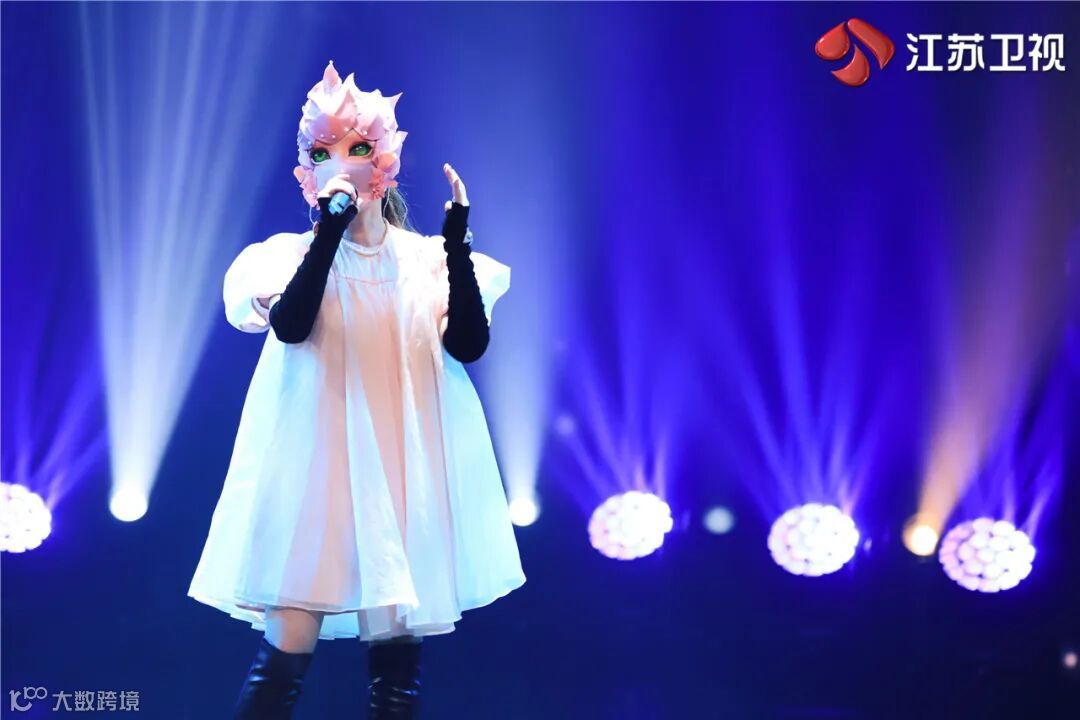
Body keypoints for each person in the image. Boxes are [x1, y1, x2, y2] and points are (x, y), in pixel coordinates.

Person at [187, 60, 526, 719]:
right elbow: (291, 325)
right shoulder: (285, 258)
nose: (340, 163)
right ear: (305, 173)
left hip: (398, 478)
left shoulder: (425, 262)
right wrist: (330, 229)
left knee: (395, 674)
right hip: (312, 478)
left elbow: (467, 345)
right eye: (322, 153)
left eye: (358, 148)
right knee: (282, 656)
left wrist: (457, 247)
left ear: (387, 162)